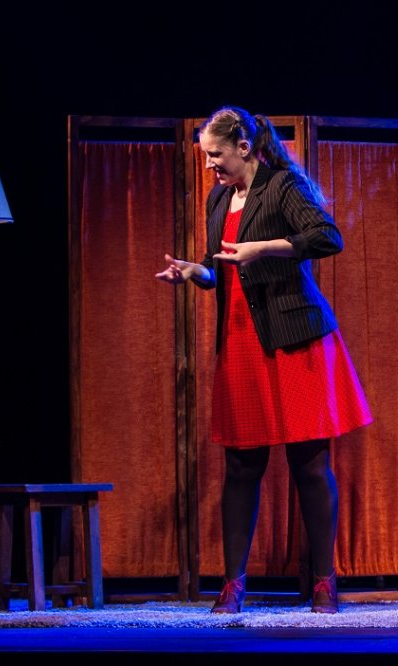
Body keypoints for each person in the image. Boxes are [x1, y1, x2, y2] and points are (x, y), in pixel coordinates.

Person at [156, 106, 373, 614]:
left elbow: (327, 237)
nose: (209, 164)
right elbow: (220, 268)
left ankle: (323, 581)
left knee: (310, 465)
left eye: (215, 154)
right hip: (241, 344)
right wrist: (196, 271)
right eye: (205, 156)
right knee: (241, 466)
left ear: (243, 147)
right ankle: (233, 585)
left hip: (293, 340)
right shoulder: (217, 198)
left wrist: (264, 248)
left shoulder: (280, 187)